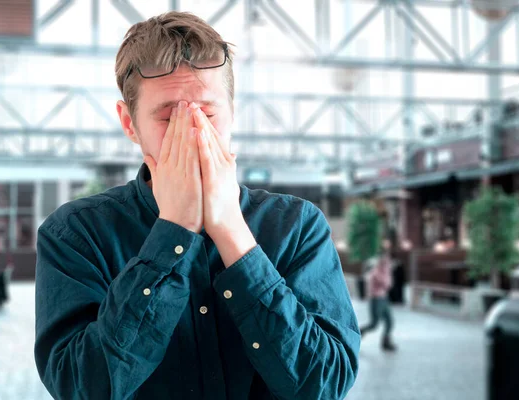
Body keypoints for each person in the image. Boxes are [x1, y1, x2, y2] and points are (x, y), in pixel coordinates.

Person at [34, 11, 360, 400]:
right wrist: (173, 230)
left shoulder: (297, 226)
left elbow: (325, 384)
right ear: (129, 123)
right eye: (168, 116)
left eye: (207, 113)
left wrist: (232, 232)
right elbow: (82, 388)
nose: (192, 132)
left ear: (232, 110)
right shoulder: (75, 234)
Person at [359, 251, 397, 351]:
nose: (388, 262)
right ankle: (358, 334)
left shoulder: (385, 271)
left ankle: (386, 342)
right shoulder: (375, 272)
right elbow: (386, 284)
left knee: (389, 321)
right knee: (374, 324)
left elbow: (389, 284)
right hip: (376, 300)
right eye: (385, 260)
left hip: (384, 299)